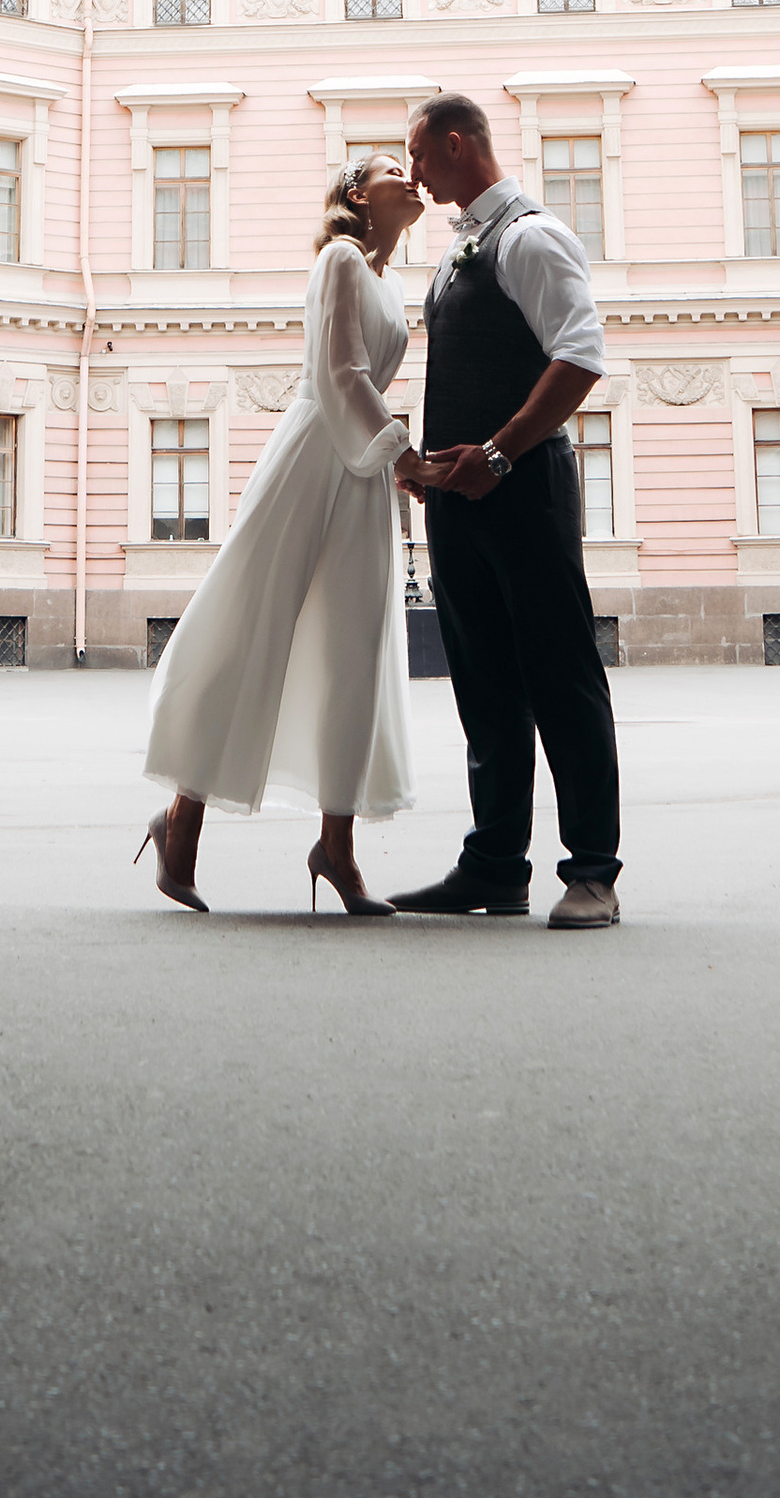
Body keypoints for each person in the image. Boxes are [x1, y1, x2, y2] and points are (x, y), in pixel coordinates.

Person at [137, 157, 422, 914]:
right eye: (398, 168)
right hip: (312, 455)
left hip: (361, 468)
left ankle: (337, 848)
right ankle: (181, 825)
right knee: (252, 627)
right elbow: (339, 371)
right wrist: (405, 454)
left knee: (354, 651)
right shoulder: (338, 258)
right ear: (360, 194)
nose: (413, 177)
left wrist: (389, 457)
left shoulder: (394, 283)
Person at [389, 93, 621, 929]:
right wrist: (431, 466)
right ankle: (495, 865)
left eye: (419, 155)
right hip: (462, 500)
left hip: (523, 490)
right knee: (483, 686)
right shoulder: (459, 251)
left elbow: (581, 356)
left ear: (456, 145)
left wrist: (496, 453)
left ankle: (593, 872)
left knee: (561, 679)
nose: (413, 173)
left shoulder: (529, 235)